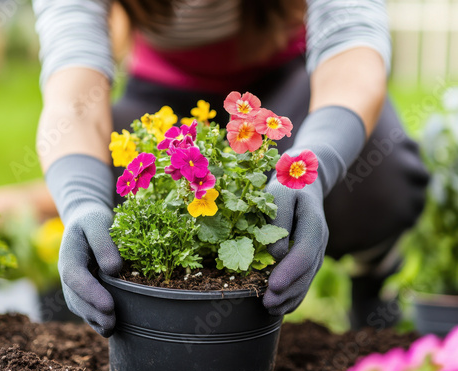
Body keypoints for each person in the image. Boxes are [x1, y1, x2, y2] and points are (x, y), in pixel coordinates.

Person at [33, 0, 429, 336]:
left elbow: (353, 52)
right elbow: (72, 95)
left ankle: (373, 274)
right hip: (163, 98)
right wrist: (81, 201)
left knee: (379, 177)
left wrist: (312, 167)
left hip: (283, 85)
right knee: (132, 207)